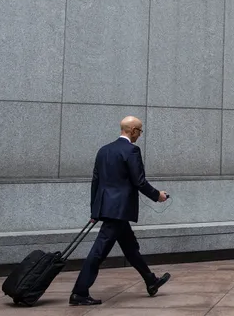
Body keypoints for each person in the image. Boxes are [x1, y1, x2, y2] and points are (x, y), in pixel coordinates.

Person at [69, 116, 171, 306]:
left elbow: (95, 182)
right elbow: (139, 181)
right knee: (98, 252)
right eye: (139, 131)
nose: (140, 135)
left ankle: (151, 281)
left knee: (131, 248)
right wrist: (158, 195)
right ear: (132, 130)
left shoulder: (103, 150)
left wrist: (95, 211)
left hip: (108, 209)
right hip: (119, 210)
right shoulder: (131, 150)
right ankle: (79, 292)